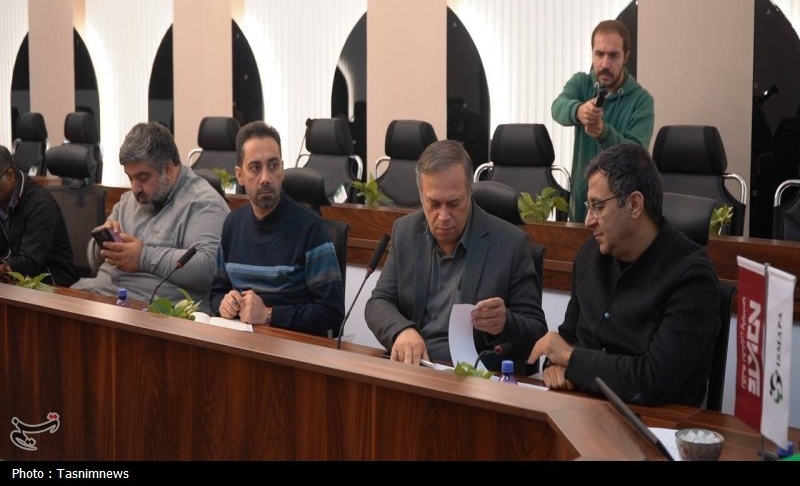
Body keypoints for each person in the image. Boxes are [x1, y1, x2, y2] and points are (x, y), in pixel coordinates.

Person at [528, 143, 720, 406]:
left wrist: (571, 360)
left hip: (655, 422)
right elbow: (567, 338)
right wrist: (554, 367)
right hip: (584, 411)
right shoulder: (589, 255)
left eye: (598, 206)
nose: (588, 221)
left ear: (634, 204)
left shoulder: (692, 277)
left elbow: (652, 380)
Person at [365, 140, 547, 372]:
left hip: (475, 378)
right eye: (433, 203)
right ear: (421, 196)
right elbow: (379, 301)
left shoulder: (512, 244)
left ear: (469, 192)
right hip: (417, 369)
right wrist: (402, 330)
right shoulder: (405, 231)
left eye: (453, 203)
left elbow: (536, 332)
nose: (443, 216)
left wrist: (505, 322)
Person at [72, 122, 229, 309]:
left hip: (156, 314)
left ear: (168, 170)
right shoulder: (128, 201)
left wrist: (142, 258)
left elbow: (208, 269)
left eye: (143, 178)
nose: (135, 188)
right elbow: (93, 262)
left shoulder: (203, 203)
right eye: (130, 178)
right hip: (103, 299)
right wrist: (104, 245)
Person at [209, 121, 344, 337]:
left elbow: (332, 313)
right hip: (242, 343)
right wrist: (223, 304)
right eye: (255, 168)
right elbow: (217, 291)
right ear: (239, 175)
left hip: (293, 348)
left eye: (273, 166)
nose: (265, 178)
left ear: (282, 170)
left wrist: (269, 314)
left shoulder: (312, 230)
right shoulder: (232, 225)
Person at [552, 19, 654, 222]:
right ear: (592, 53)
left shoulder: (641, 101)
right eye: (599, 54)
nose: (605, 64)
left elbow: (636, 156)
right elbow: (557, 107)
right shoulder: (581, 83)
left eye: (613, 55)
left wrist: (603, 133)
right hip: (580, 210)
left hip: (620, 215)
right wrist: (578, 110)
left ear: (626, 56)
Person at [0, 146, 76, 286]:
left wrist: (4, 268)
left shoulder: (41, 205)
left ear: (10, 175)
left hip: (51, 284)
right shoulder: (3, 200)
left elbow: (30, 262)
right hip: (15, 283)